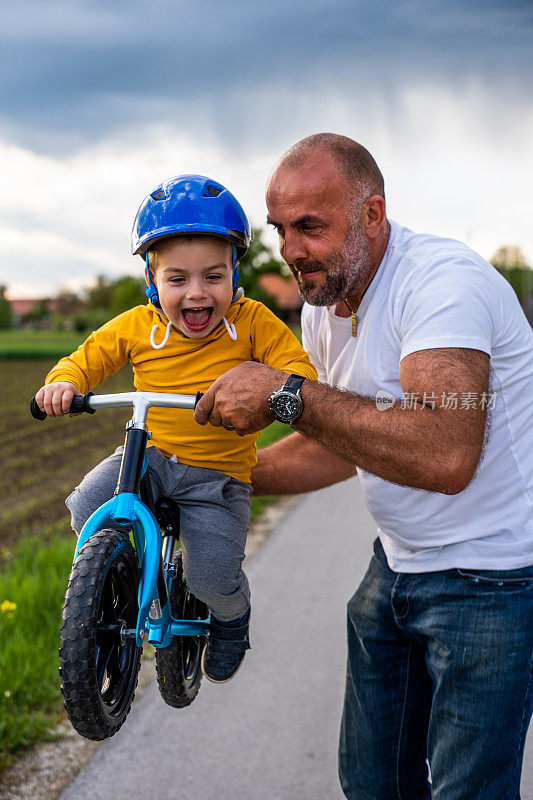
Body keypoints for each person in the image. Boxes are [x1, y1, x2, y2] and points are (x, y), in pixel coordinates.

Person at [194, 135, 533, 797]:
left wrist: (287, 394)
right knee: (372, 783)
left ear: (371, 215)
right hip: (397, 567)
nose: (292, 250)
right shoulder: (327, 304)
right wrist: (215, 483)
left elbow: (443, 453)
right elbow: (341, 438)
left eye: (310, 227)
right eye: (281, 230)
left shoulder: (441, 285)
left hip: (493, 581)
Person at [35, 174, 317, 684]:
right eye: (177, 280)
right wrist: (63, 383)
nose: (196, 294)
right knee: (86, 507)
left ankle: (232, 618)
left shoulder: (253, 322)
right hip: (149, 458)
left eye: (213, 277)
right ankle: (116, 584)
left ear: (235, 271)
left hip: (217, 477)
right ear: (152, 279)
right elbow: (86, 359)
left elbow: (300, 373)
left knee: (210, 576)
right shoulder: (138, 325)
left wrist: (278, 391)